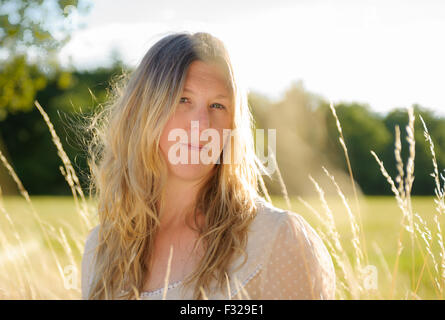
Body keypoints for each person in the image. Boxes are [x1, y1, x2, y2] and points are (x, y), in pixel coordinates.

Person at [81, 31, 336, 300]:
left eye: (218, 105)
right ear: (143, 111)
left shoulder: (277, 238)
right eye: (183, 100)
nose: (202, 124)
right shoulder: (101, 249)